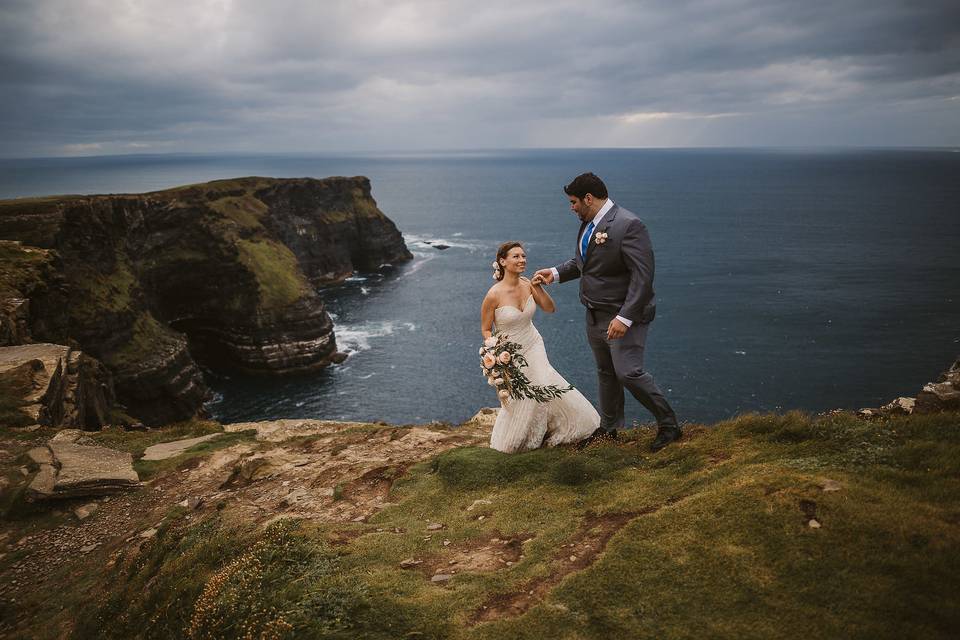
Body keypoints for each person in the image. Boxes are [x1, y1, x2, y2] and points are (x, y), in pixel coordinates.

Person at [533, 172, 681, 452]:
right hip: (594, 314)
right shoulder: (589, 224)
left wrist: (624, 318)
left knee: (628, 373)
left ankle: (669, 424)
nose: (571, 207)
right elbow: (584, 262)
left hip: (622, 316)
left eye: (574, 202)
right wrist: (554, 273)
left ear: (589, 198)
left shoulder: (629, 225)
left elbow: (643, 277)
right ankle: (610, 430)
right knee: (606, 373)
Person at [480, 241, 600, 452]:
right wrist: (494, 352)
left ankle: (554, 430)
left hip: (533, 344)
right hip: (510, 353)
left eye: (523, 256)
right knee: (521, 397)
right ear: (502, 261)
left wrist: (538, 287)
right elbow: (486, 329)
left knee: (543, 383)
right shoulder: (493, 295)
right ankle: (516, 442)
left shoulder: (528, 284)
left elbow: (550, 308)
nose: (522, 260)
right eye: (516, 256)